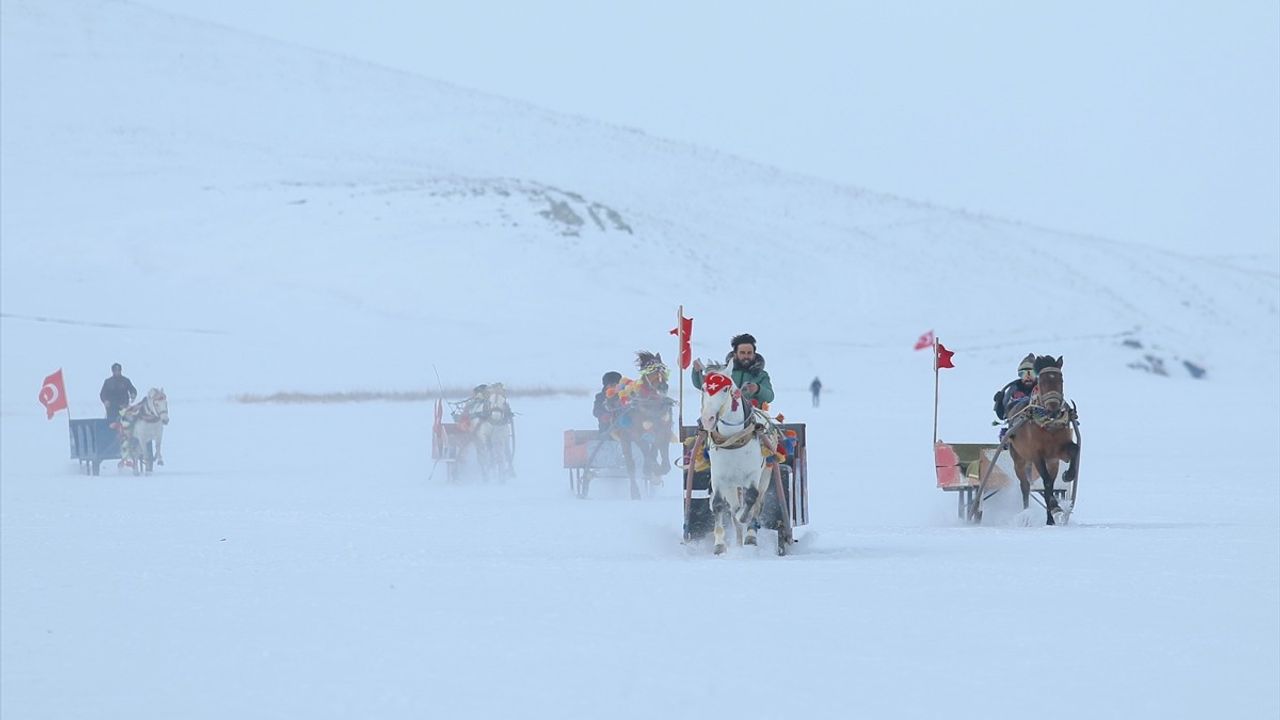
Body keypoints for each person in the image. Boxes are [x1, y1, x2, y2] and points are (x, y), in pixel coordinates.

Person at [691, 333, 775, 409]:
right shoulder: (723, 372)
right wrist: (696, 371)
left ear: (754, 354)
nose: (746, 356)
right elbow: (701, 384)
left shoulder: (761, 375)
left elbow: (770, 396)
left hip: (753, 418)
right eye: (742, 353)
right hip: (724, 416)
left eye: (749, 353)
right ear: (735, 354)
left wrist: (758, 388)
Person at [994, 354, 1038, 438]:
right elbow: (1002, 415)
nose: (1028, 377)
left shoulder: (1042, 388)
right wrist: (999, 402)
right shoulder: (1013, 389)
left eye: (1032, 373)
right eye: (1024, 374)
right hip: (1018, 430)